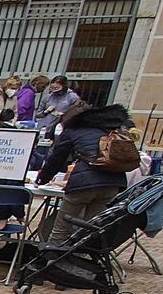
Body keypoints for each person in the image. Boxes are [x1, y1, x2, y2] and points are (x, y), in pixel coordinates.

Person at [35, 98, 134, 239]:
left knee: (61, 229)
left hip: (83, 183)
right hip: (113, 182)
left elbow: (56, 159)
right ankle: (78, 255)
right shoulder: (109, 128)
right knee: (90, 228)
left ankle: (52, 257)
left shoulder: (73, 130)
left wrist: (42, 178)